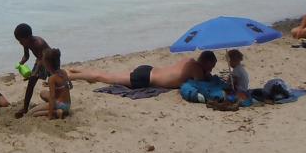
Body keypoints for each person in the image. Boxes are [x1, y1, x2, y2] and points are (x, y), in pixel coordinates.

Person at [68, 51, 217, 89]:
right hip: (145, 79)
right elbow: (203, 86)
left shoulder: (188, 60)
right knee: (103, 77)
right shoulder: (197, 69)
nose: (212, 69)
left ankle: (77, 70)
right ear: (206, 62)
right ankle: (69, 76)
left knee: (107, 74)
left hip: (149, 70)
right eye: (212, 66)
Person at [13, 23, 51, 118]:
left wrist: (35, 72)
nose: (20, 43)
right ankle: (25, 107)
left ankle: (56, 99)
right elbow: (26, 56)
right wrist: (21, 63)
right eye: (19, 41)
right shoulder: (26, 42)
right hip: (40, 60)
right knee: (31, 83)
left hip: (50, 61)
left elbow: (42, 59)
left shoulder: (39, 43)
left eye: (21, 41)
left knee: (53, 80)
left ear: (28, 37)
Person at [26, 48, 71, 119]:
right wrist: (58, 87)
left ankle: (56, 112)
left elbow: (52, 98)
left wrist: (50, 116)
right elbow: (70, 86)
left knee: (32, 113)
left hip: (60, 105)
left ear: (48, 65)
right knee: (43, 93)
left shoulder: (52, 78)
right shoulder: (63, 72)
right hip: (67, 104)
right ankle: (59, 109)